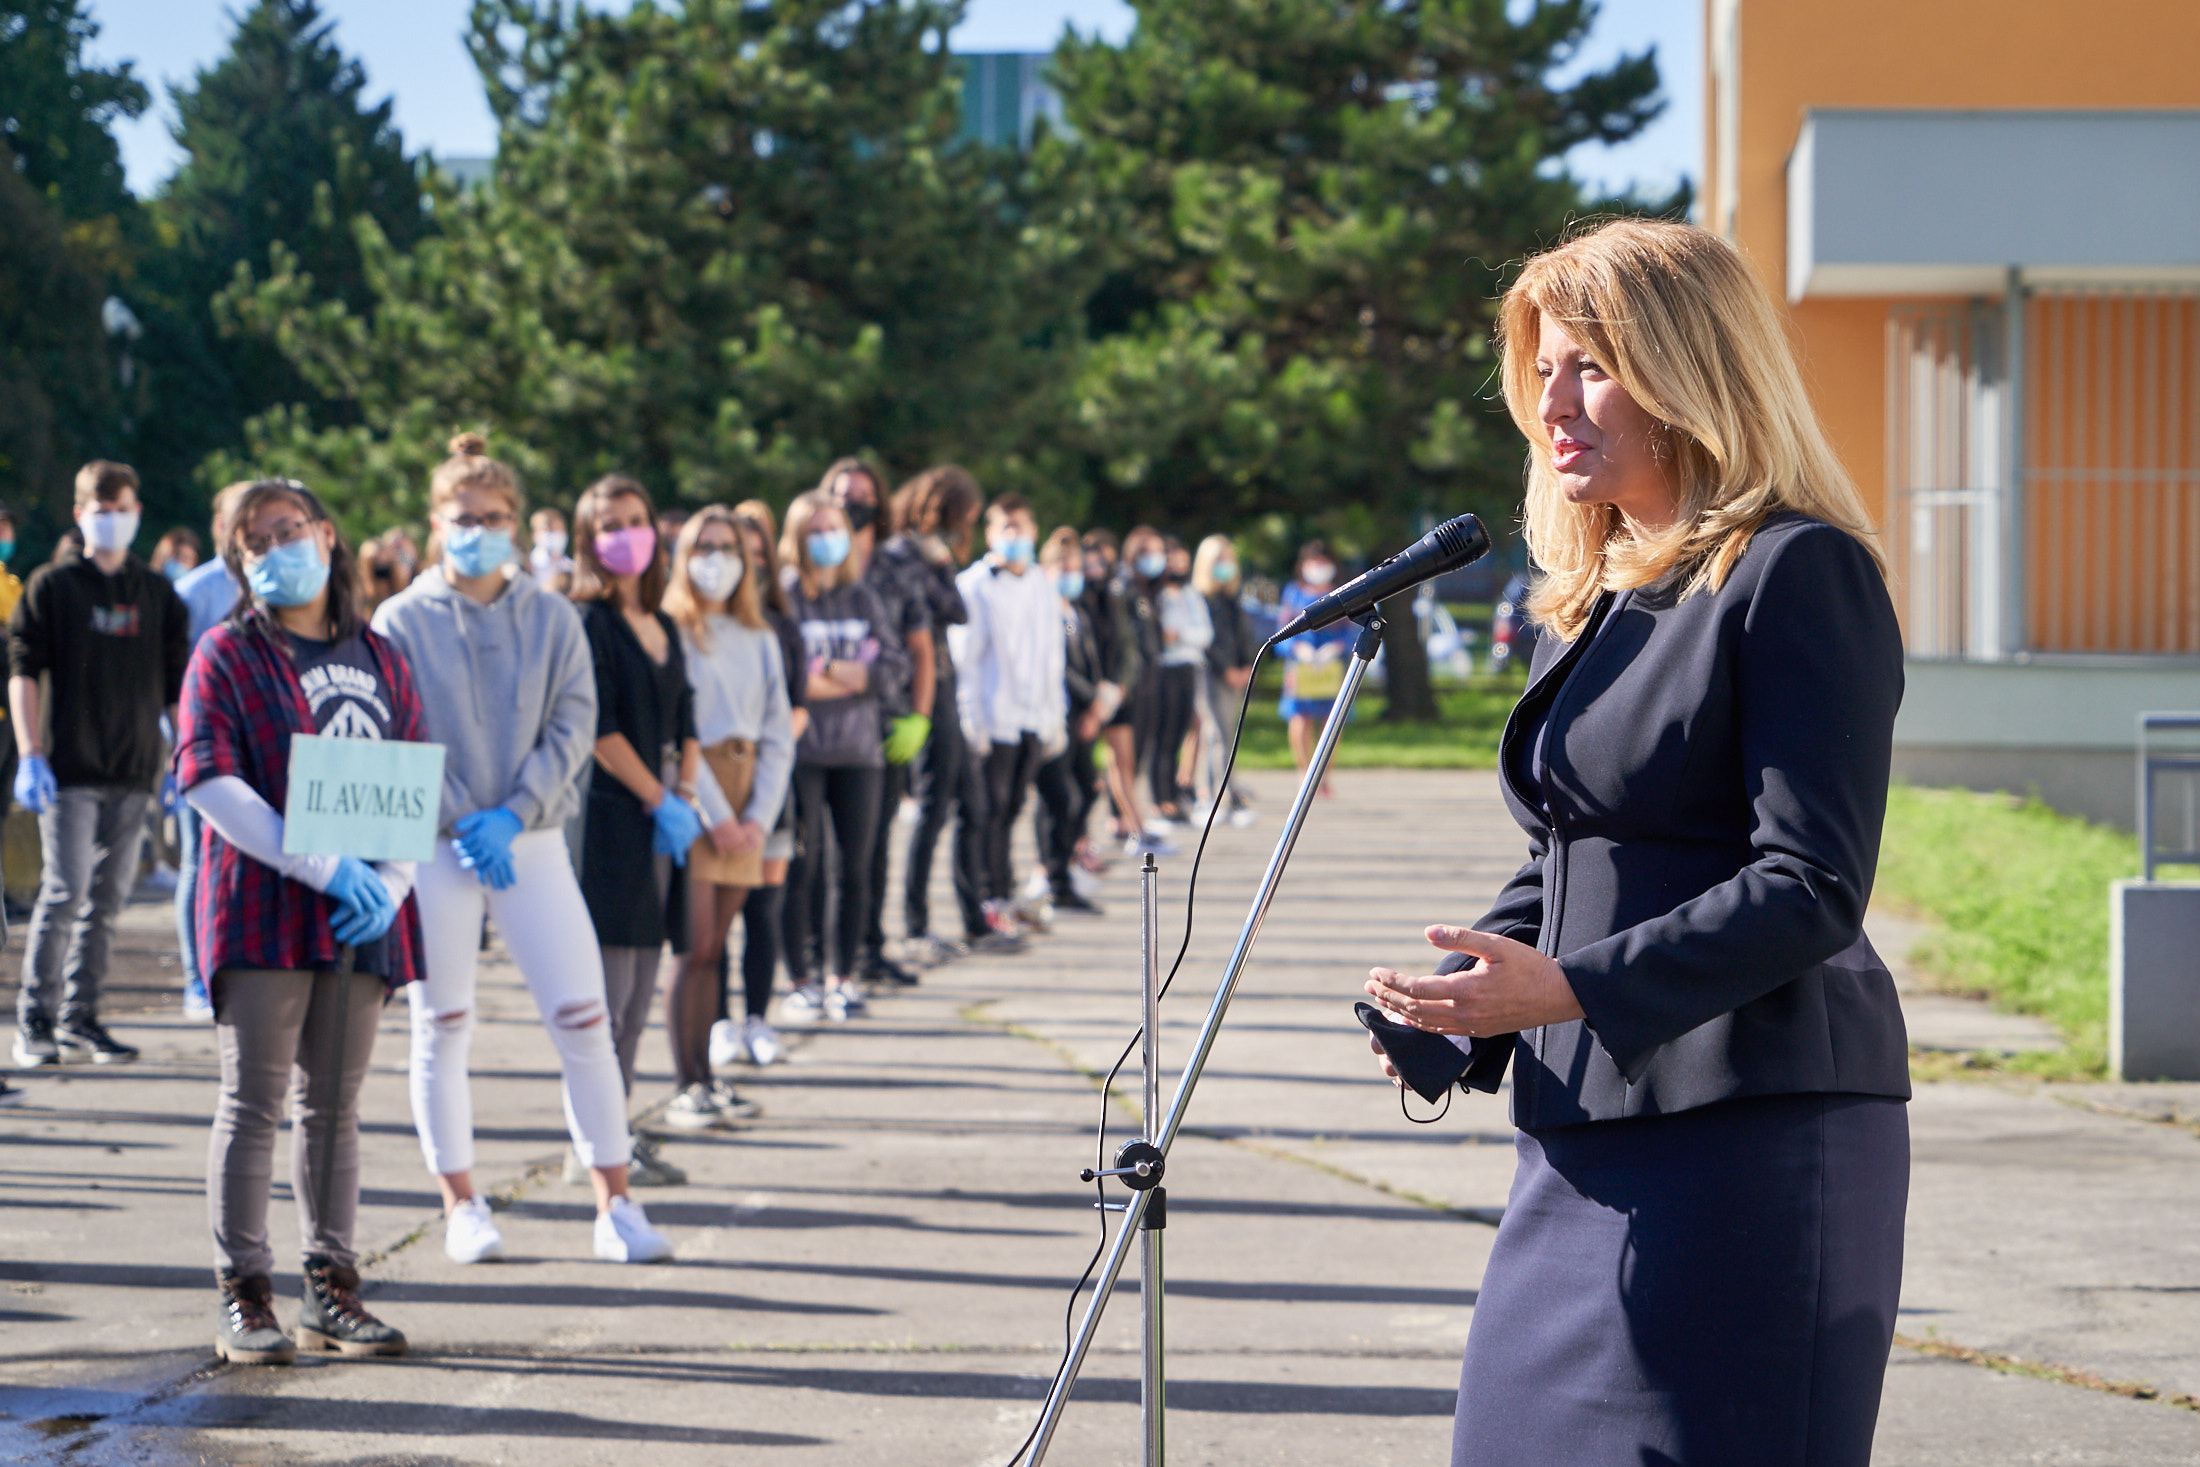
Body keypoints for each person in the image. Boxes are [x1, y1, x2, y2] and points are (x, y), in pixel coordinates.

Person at [1359, 218, 1909, 1467]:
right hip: (1583, 1132)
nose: (1554, 404)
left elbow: (1811, 881)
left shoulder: (1795, 572)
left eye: (1590, 367)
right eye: (1541, 372)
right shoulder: (1590, 594)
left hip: (1754, 1130)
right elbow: (1571, 844)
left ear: (1688, 371)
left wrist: (1567, 987)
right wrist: (1470, 996)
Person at [372, 435, 672, 1266]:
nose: (480, 528)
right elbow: (399, 726)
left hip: (530, 840)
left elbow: (575, 720)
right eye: (464, 517)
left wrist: (514, 811)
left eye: (495, 516)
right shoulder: (399, 620)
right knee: (443, 1024)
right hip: (438, 845)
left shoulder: (550, 615)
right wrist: (464, 814)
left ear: (516, 521)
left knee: (585, 1019)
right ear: (437, 523)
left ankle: (616, 1202)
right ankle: (461, 1202)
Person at [177, 478, 418, 1364]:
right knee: (254, 1102)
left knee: (336, 1108)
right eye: (254, 540)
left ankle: (333, 1290)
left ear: (326, 535)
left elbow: (409, 775)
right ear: (238, 562)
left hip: (361, 918)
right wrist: (321, 864)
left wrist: (387, 884)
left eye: (288, 530)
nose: (275, 547)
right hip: (263, 908)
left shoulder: (381, 654)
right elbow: (208, 777)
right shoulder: (226, 653)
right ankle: (246, 1296)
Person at [10, 461, 189, 1069]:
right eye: (102, 507)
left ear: (138, 512)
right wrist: (32, 754)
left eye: (123, 507)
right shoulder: (53, 588)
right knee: (64, 891)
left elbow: (175, 685)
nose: (114, 518)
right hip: (69, 769)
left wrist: (185, 754)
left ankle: (81, 1017)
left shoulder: (156, 594)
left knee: (108, 900)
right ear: (81, 512)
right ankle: (35, 1018)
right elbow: (24, 672)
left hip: (136, 770)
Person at [570, 475, 707, 1149]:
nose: (624, 534)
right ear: (588, 541)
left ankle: (614, 1127)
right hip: (614, 819)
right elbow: (597, 729)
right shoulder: (588, 622)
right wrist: (656, 797)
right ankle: (597, 1137)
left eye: (634, 519)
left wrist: (684, 794)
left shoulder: (666, 624)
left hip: (664, 819)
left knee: (643, 982)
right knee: (609, 992)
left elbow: (687, 717)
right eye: (608, 524)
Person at [662, 506, 793, 1127]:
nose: (715, 558)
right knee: (692, 947)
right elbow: (679, 730)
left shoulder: (760, 635)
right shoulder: (675, 630)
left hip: (748, 793)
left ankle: (709, 1078)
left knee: (718, 946)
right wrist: (714, 812)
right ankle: (686, 1079)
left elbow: (777, 730)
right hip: (697, 788)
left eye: (727, 546)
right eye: (703, 546)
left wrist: (758, 816)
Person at [778, 492, 908, 1022]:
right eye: (816, 529)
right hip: (801, 752)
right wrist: (847, 675)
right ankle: (802, 978)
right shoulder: (786, 598)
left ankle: (843, 976)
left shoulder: (862, 597)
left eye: (835, 527)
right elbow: (790, 680)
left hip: (859, 754)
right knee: (801, 867)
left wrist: (842, 677)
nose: (828, 538)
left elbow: (893, 665)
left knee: (853, 869)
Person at [883, 468, 998, 964]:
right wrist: (937, 567)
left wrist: (942, 565)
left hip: (947, 681)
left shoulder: (934, 555)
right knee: (934, 805)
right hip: (923, 690)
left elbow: (956, 610)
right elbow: (946, 610)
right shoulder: (905, 554)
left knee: (974, 801)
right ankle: (915, 924)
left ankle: (975, 919)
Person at [708, 504, 808, 1069]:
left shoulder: (780, 627)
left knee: (764, 909)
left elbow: (796, 709)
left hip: (771, 783)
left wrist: (764, 778)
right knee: (717, 917)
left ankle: (758, 1019)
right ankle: (721, 1020)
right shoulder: (699, 628)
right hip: (718, 786)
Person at [825, 457, 929, 990]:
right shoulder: (815, 561)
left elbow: (919, 648)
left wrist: (921, 717)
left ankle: (868, 946)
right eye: (843, 493)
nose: (854, 502)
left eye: (864, 493)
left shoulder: (895, 566)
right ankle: (821, 954)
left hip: (885, 724)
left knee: (873, 846)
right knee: (823, 853)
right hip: (822, 725)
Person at [950, 495, 1065, 938]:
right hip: (992, 717)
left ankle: (1002, 890)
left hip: (1031, 717)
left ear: (1035, 531)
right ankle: (984, 897)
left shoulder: (1040, 581)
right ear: (990, 534)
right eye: (1005, 528)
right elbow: (967, 659)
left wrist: (1055, 715)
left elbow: (1052, 653)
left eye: (1021, 527)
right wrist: (971, 719)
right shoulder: (974, 584)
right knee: (986, 812)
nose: (1014, 537)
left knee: (1013, 807)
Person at [173, 483, 249, 1023]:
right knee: (198, 862)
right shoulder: (194, 592)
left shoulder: (288, 587)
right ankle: (197, 979)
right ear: (219, 524)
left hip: (265, 755)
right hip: (204, 750)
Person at [1030, 528, 1104, 916]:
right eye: (1063, 567)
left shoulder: (1076, 611)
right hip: (1057, 714)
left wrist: (1097, 703)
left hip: (1083, 717)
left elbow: (1087, 663)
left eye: (1076, 567)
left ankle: (1063, 866)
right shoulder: (1041, 610)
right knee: (1059, 796)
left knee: (1087, 790)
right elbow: (1057, 668)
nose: (1071, 574)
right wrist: (1092, 699)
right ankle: (1051, 872)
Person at [1079, 530, 1152, 856]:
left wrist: (1119, 687)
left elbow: (1127, 649)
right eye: (1087, 565)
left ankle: (1138, 828)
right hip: (1084, 697)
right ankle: (1081, 844)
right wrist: (1094, 696)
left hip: (1116, 693)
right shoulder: (1074, 606)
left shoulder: (1114, 598)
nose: (1094, 570)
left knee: (1124, 763)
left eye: (1099, 564)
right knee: (1081, 775)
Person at [1276, 540, 1353, 798]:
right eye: (1313, 562)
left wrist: (1335, 648)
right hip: (1301, 666)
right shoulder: (1293, 593)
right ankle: (1304, 772)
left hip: (1332, 667)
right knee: (1300, 719)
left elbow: (1351, 631)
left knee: (1331, 723)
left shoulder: (1342, 593)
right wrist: (1298, 650)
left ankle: (1324, 775)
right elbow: (1283, 632)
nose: (1318, 568)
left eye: (1323, 562)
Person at [1193, 534, 1258, 827]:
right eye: (1219, 559)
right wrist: (1226, 669)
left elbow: (1244, 636)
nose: (1226, 565)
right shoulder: (1199, 599)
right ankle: (1222, 798)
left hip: (1235, 674)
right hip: (1211, 674)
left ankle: (1212, 795)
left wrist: (1246, 665)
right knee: (1218, 735)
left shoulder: (1234, 598)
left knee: (1221, 736)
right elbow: (1206, 641)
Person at [1151, 535, 1211, 822]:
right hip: (1164, 669)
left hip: (1188, 667)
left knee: (1184, 731)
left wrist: (1181, 636)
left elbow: (1204, 635)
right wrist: (1180, 637)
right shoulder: (1157, 595)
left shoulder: (1190, 594)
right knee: (1164, 736)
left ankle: (1177, 791)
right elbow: (1161, 637)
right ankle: (1161, 799)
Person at [529, 506, 574, 595]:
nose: (554, 534)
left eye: (557, 529)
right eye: (548, 530)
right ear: (534, 535)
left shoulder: (572, 567)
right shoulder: (527, 566)